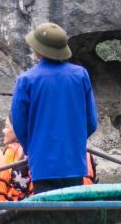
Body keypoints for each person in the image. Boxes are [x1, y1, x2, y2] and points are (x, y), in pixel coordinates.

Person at [11, 21, 99, 194]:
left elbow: (19, 125)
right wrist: (74, 141)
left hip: (42, 166)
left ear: (38, 51)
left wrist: (34, 148)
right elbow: (92, 121)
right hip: (73, 163)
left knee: (47, 217)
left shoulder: (26, 80)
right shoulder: (81, 75)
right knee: (71, 218)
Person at [2, 117, 30, 201]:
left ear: (17, 128)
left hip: (12, 205)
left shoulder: (11, 151)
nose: (3, 130)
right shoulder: (31, 149)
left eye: (6, 126)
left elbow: (1, 181)